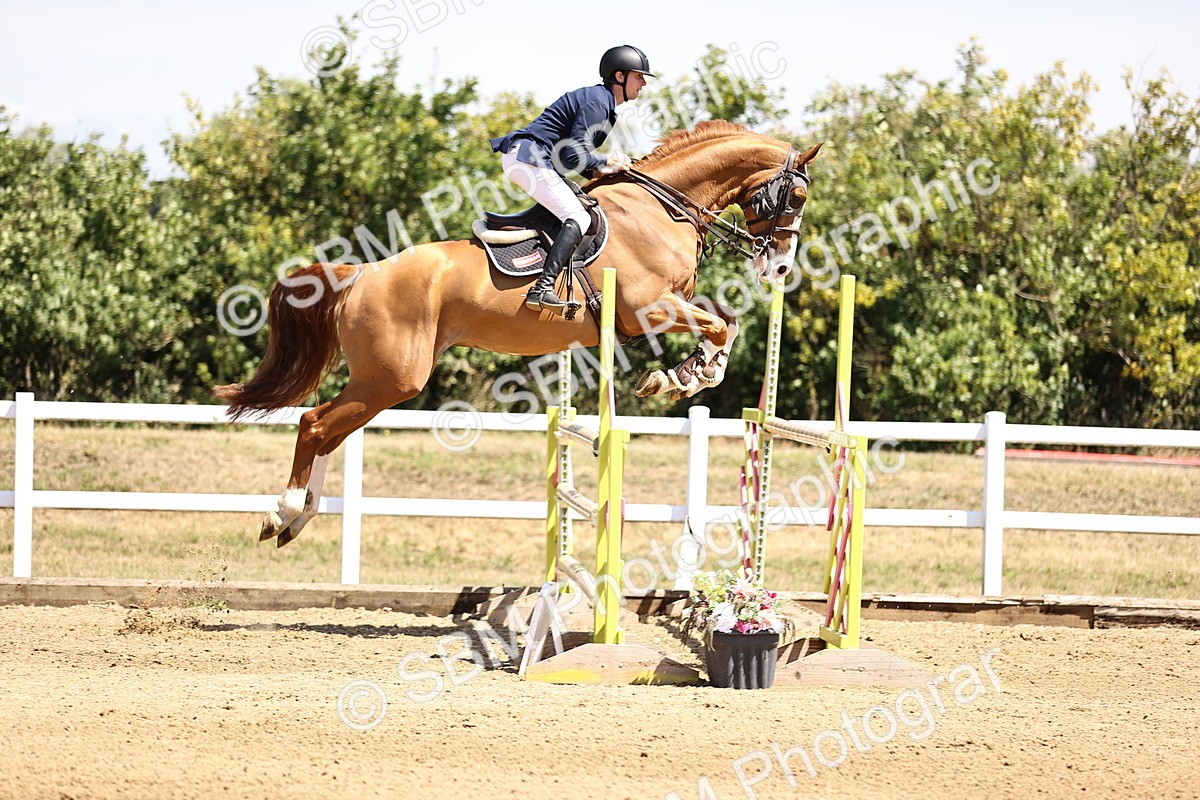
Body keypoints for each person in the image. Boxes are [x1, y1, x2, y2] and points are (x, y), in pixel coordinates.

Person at [490, 45, 654, 314]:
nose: (644, 83)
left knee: (580, 206)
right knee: (579, 217)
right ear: (620, 77)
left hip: (533, 158)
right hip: (529, 157)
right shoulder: (598, 103)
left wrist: (608, 169)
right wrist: (605, 162)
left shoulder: (603, 103)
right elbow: (571, 155)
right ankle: (542, 289)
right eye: (639, 76)